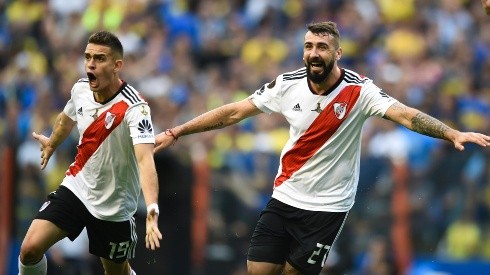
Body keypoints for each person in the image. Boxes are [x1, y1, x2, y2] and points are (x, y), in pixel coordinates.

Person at [154, 21, 490, 275]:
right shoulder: (287, 84)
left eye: (322, 47)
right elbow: (235, 111)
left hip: (327, 208)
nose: (314, 53)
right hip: (285, 197)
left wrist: (450, 133)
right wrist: (180, 130)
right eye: (309, 46)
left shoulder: (360, 91)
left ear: (337, 53)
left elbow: (406, 115)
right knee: (258, 270)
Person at [19, 31, 162, 275]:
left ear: (117, 65)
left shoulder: (135, 108)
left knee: (116, 272)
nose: (91, 64)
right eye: (87, 57)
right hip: (78, 187)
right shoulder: (80, 89)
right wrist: (52, 143)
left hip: (114, 206)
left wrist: (151, 208)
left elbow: (144, 159)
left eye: (99, 58)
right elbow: (66, 119)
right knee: (30, 249)